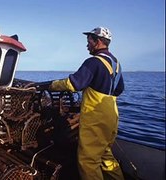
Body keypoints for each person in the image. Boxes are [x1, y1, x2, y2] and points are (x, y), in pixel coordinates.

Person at [49, 27, 125, 180]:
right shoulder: (116, 63)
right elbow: (119, 89)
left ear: (97, 42)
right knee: (105, 155)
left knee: (88, 161)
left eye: (89, 41)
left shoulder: (94, 62)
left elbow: (73, 84)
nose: (87, 45)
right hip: (112, 115)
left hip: (95, 117)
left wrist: (52, 85)